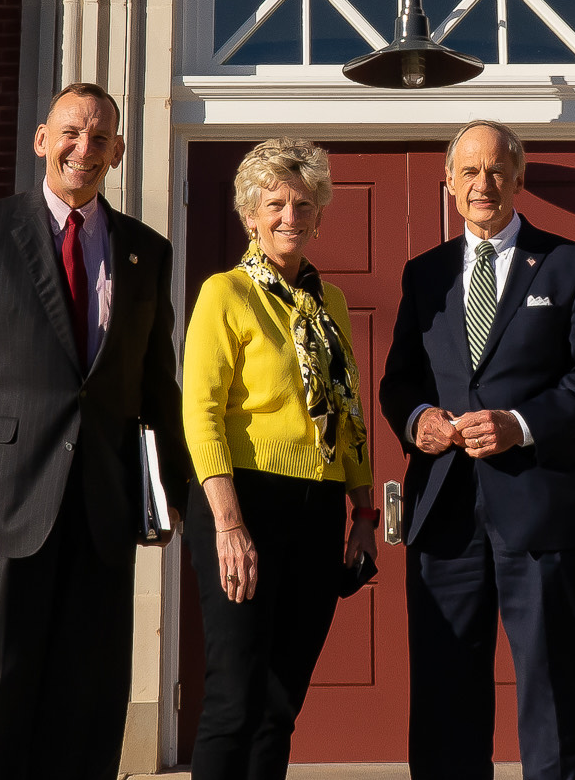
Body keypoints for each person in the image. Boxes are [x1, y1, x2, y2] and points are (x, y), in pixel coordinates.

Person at [0, 82, 191, 780]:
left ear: (118, 151)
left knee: (88, 705)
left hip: (103, 511)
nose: (84, 148)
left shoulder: (146, 252)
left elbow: (155, 387)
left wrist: (168, 496)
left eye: (100, 138)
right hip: (5, 506)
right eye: (72, 132)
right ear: (42, 139)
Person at [380, 120, 575, 780]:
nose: (482, 184)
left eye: (495, 170)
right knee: (445, 689)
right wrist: (418, 421)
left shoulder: (572, 265)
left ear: (518, 178)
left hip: (538, 506)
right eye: (469, 172)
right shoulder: (424, 274)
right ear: (449, 184)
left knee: (555, 686)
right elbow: (399, 382)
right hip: (443, 511)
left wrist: (521, 423)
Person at [182, 138, 379, 780]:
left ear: (319, 214)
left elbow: (348, 413)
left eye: (303, 203)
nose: (290, 216)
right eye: (275, 204)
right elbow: (201, 414)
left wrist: (362, 512)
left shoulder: (332, 304)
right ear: (250, 215)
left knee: (280, 703)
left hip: (318, 508)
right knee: (235, 698)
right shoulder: (225, 293)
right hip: (244, 503)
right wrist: (228, 525)